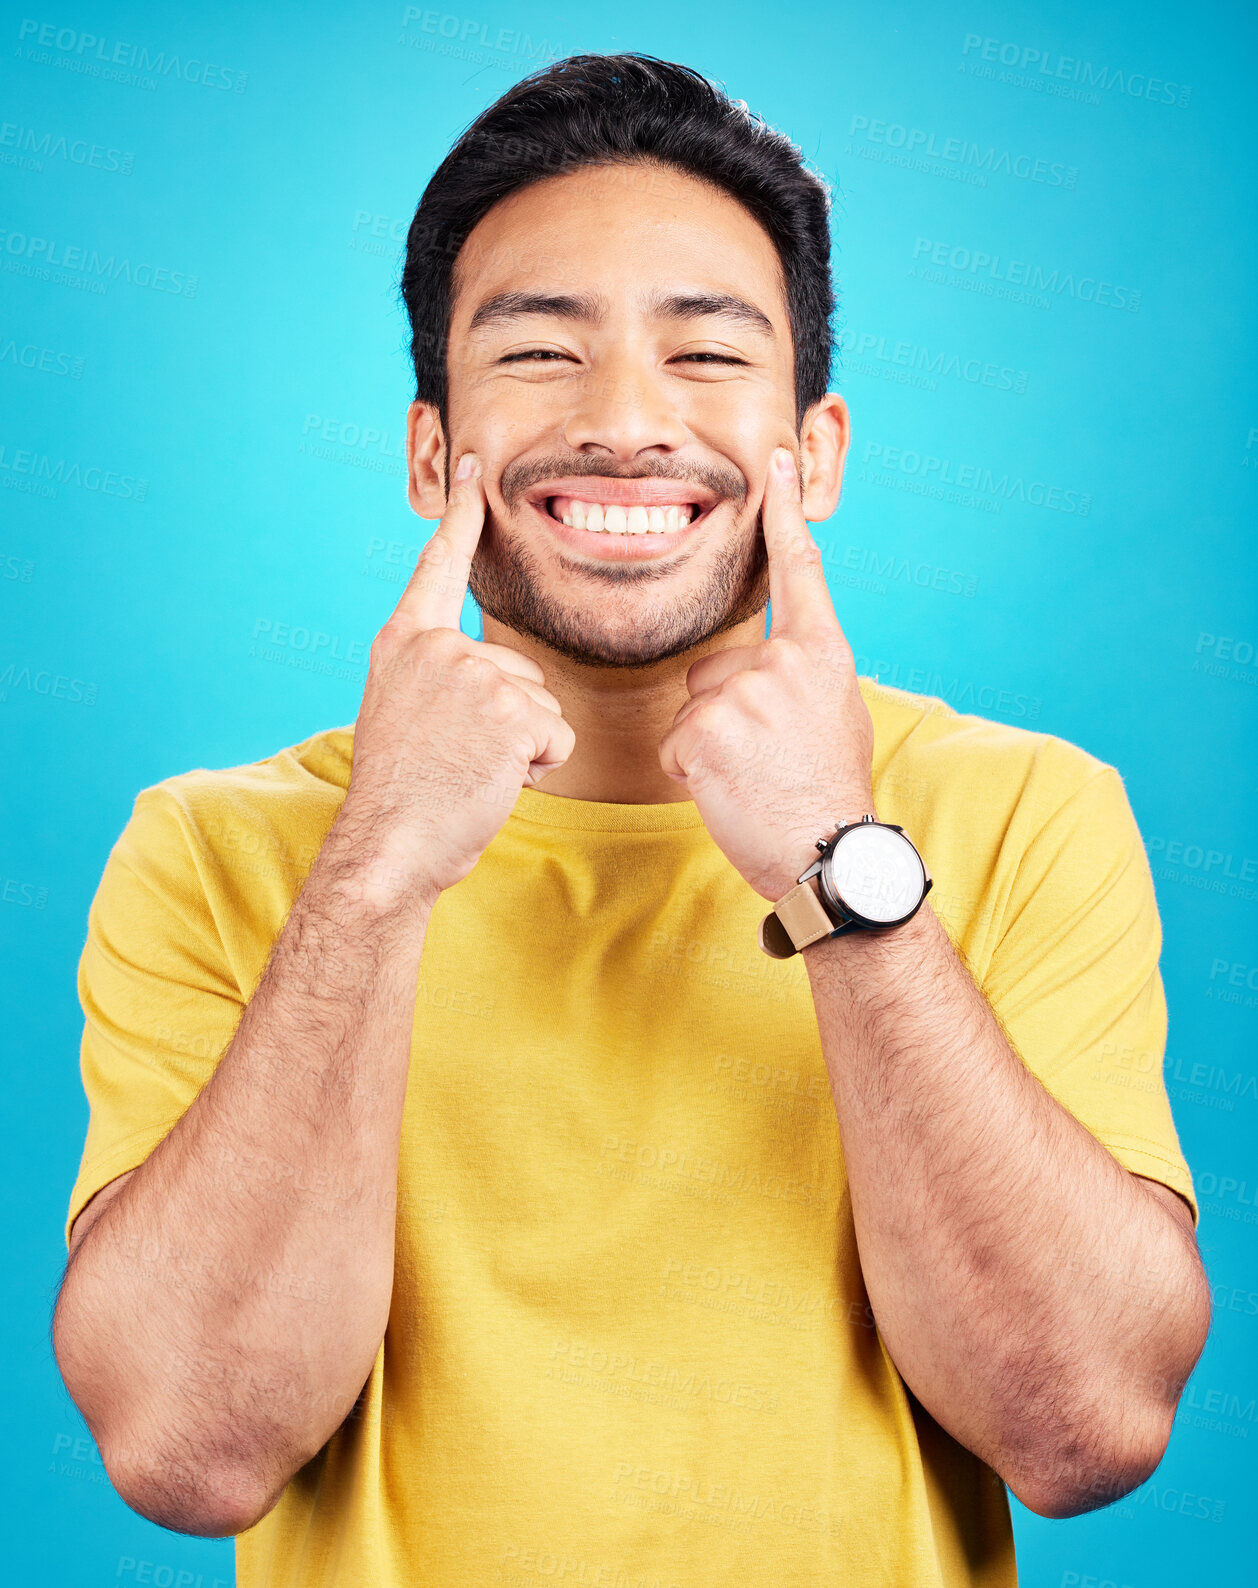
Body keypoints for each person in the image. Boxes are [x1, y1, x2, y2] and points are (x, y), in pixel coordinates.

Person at [54, 53, 1209, 1588]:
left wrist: (837, 863)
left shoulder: (1019, 815)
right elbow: (189, 1452)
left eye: (706, 353)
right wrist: (379, 872)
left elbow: (1083, 1432)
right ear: (427, 454)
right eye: (538, 350)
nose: (624, 422)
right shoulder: (220, 850)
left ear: (816, 453)